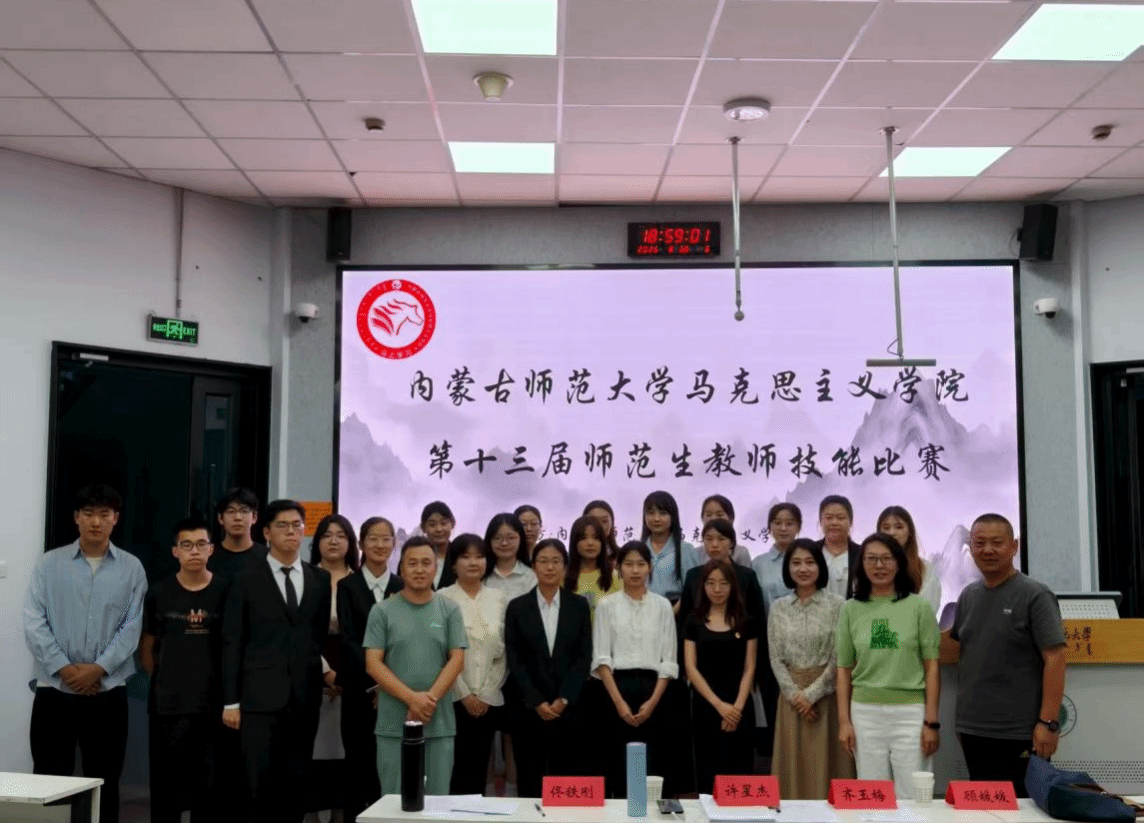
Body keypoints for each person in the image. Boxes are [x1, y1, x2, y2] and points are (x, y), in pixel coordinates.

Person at [24, 484, 147, 823]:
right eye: (89, 513)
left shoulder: (132, 568)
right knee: (49, 778)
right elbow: (34, 622)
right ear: (76, 517)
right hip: (54, 689)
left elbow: (132, 627)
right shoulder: (49, 564)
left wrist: (98, 669)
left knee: (105, 778)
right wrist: (65, 669)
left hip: (107, 691)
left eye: (104, 514)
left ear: (115, 519)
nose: (96, 522)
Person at [221, 500, 332, 823]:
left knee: (296, 786)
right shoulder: (244, 578)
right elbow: (232, 641)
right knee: (258, 788)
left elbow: (316, 637)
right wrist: (231, 701)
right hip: (258, 701)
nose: (291, 532)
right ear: (267, 532)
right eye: (282, 525)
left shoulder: (319, 579)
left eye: (297, 525)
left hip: (304, 699)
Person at [950, 513, 1066, 797]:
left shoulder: (1035, 595)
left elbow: (1056, 658)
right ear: (970, 548)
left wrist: (1048, 723)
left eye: (997, 543)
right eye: (980, 543)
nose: (987, 550)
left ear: (1014, 546)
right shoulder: (967, 596)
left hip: (1020, 732)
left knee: (1024, 809)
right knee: (985, 809)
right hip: (973, 730)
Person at [836, 533, 941, 800]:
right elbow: (843, 669)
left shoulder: (919, 607)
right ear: (861, 564)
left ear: (899, 563)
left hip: (911, 714)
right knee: (872, 794)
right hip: (865, 713)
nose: (879, 565)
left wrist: (931, 722)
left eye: (886, 558)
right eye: (871, 559)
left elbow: (932, 667)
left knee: (913, 794)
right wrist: (844, 722)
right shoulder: (849, 609)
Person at [140, 517, 227, 823]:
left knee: (210, 793)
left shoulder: (226, 591)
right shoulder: (158, 593)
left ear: (212, 549)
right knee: (166, 793)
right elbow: (147, 649)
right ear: (175, 551)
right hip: (168, 707)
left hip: (214, 708)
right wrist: (166, 681)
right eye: (186, 545)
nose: (194, 551)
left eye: (201, 544)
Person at [364, 536, 467, 795]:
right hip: (393, 723)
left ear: (436, 568)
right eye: (412, 563)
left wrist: (427, 702)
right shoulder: (382, 611)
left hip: (438, 721)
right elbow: (373, 664)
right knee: (392, 801)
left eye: (426, 563)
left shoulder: (450, 610)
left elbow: (457, 660)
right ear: (401, 568)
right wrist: (412, 699)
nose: (419, 570)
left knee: (437, 802)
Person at [505, 539, 593, 799]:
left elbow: (583, 657)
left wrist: (564, 698)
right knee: (529, 780)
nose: (550, 567)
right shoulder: (517, 607)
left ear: (565, 566)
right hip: (529, 710)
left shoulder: (578, 606)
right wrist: (536, 701)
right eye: (543, 561)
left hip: (568, 709)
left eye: (556, 561)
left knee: (565, 780)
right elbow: (514, 659)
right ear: (533, 567)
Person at [593, 541, 678, 798]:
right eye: (628, 564)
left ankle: (643, 811)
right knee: (617, 761)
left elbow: (668, 660)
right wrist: (619, 702)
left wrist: (652, 702)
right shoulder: (607, 605)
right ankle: (621, 811)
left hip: (654, 691)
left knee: (648, 763)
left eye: (641, 564)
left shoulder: (662, 606)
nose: (635, 570)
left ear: (650, 567)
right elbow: (601, 659)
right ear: (618, 568)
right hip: (616, 689)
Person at [768, 539, 851, 799]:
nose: (803, 569)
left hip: (827, 698)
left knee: (826, 768)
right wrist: (796, 696)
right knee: (792, 770)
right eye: (796, 563)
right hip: (791, 700)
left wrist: (812, 694)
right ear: (787, 568)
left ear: (820, 566)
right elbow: (775, 658)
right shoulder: (778, 608)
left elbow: (840, 656)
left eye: (809, 562)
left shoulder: (838, 605)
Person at [337, 517, 402, 822]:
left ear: (394, 544)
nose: (379, 545)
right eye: (372, 539)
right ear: (361, 544)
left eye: (386, 539)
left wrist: (390, 685)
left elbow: (408, 641)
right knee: (357, 766)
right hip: (359, 692)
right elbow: (350, 640)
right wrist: (377, 683)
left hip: (399, 694)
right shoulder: (347, 587)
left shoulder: (403, 586)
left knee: (390, 768)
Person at [438, 534, 508, 795]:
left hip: (488, 700)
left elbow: (504, 652)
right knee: (454, 770)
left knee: (480, 768)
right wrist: (464, 694)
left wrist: (487, 693)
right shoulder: (442, 598)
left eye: (479, 556)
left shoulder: (498, 598)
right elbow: (441, 653)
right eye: (465, 557)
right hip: (452, 699)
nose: (473, 562)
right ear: (453, 564)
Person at [684, 559, 758, 794]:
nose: (717, 589)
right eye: (711, 583)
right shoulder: (693, 620)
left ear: (733, 585)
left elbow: (750, 667)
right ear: (703, 586)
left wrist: (735, 709)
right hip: (706, 707)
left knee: (739, 775)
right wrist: (719, 706)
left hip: (739, 706)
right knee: (708, 774)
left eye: (724, 583)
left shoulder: (747, 621)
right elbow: (691, 668)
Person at [309, 514, 359, 818]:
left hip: (353, 671)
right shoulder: (305, 577)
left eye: (341, 535)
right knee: (312, 748)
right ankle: (312, 812)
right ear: (317, 541)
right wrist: (326, 672)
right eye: (327, 535)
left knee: (347, 748)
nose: (334, 541)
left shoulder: (359, 580)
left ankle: (342, 812)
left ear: (351, 542)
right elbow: (300, 632)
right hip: (312, 666)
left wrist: (346, 676)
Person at [678, 519, 765, 628]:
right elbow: (684, 619)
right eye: (709, 539)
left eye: (721, 539)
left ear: (732, 543)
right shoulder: (693, 576)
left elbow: (758, 618)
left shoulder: (747, 576)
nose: (714, 544)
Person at [876, 506, 941, 613]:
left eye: (899, 527)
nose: (892, 533)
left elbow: (928, 607)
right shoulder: (869, 567)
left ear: (909, 531)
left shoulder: (925, 568)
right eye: (886, 528)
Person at [641, 490, 695, 608]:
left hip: (676, 610)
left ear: (673, 516)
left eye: (663, 513)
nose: (656, 518)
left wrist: (671, 613)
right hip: (641, 610)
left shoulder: (685, 549)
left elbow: (693, 589)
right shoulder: (638, 550)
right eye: (651, 513)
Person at [565, 514, 621, 620]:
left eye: (595, 538)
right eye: (583, 538)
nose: (590, 543)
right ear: (574, 542)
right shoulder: (563, 578)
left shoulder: (615, 577)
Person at [753, 503, 801, 615]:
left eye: (789, 524)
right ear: (770, 527)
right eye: (778, 523)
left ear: (798, 527)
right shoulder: (758, 564)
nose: (783, 528)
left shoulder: (809, 561)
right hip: (768, 624)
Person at [210, 487, 266, 580]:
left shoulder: (268, 558)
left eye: (244, 511)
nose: (237, 517)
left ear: (254, 517)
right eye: (231, 511)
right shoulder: (208, 557)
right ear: (220, 518)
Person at [483, 512, 536, 601]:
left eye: (511, 538)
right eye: (497, 538)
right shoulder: (481, 574)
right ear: (489, 541)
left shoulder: (531, 576)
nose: (504, 543)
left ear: (521, 539)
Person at [815, 495, 860, 599]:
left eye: (840, 518)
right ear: (820, 521)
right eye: (829, 518)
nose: (834, 523)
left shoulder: (862, 553)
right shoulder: (810, 551)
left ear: (850, 522)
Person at [695, 494, 752, 567]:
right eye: (709, 515)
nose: (713, 518)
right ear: (702, 518)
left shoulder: (741, 553)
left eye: (720, 515)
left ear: (731, 519)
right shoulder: (695, 553)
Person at [421, 501, 456, 588]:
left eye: (443, 523)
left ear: (452, 524)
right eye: (432, 525)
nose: (439, 529)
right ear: (423, 528)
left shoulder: (460, 556)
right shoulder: (414, 557)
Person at [583, 499, 621, 566]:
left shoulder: (621, 557)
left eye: (604, 521)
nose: (599, 526)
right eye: (593, 521)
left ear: (612, 524)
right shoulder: (574, 558)